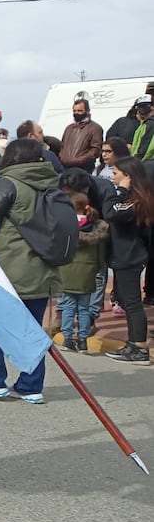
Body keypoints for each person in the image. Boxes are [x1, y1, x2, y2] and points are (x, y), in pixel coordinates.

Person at [0, 138, 62, 403]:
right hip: (43, 270)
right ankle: (31, 385)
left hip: (9, 268)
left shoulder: (8, 183)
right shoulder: (53, 182)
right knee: (32, 329)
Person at [103, 156, 154, 365]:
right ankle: (133, 342)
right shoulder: (132, 199)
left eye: (116, 173)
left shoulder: (135, 200)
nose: (113, 177)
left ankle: (140, 346)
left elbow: (110, 212)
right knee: (126, 300)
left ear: (128, 176)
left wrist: (122, 190)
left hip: (129, 257)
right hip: (123, 256)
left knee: (132, 303)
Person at [57, 192, 108, 353]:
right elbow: (101, 254)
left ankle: (68, 339)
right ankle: (83, 341)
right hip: (88, 270)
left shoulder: (66, 226)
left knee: (68, 307)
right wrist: (97, 267)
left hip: (67, 270)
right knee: (84, 308)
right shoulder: (97, 227)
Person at [60, 99, 104, 171]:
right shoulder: (69, 128)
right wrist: (62, 158)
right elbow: (62, 146)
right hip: (65, 167)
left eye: (79, 111)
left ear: (87, 111)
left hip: (84, 168)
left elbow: (95, 150)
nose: (76, 113)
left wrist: (80, 160)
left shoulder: (95, 128)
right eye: (74, 111)